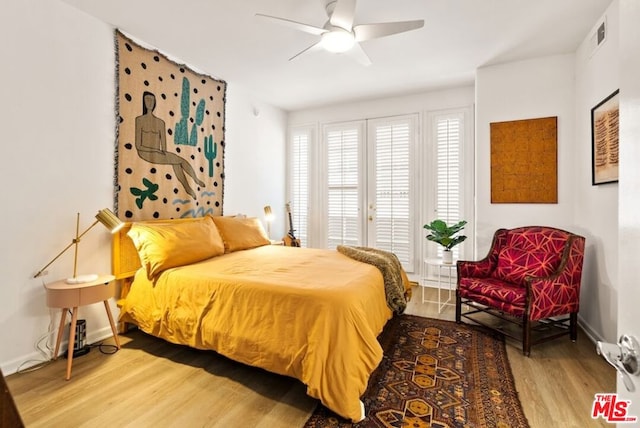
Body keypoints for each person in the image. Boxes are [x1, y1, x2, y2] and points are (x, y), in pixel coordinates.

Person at [134, 91, 205, 199]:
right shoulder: (139, 120)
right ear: (143, 102)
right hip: (144, 153)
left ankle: (191, 183)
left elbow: (164, 144)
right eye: (147, 99)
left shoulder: (160, 122)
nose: (150, 102)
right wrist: (155, 151)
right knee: (178, 161)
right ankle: (191, 183)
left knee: (177, 161)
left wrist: (163, 152)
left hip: (159, 152)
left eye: (152, 100)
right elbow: (138, 146)